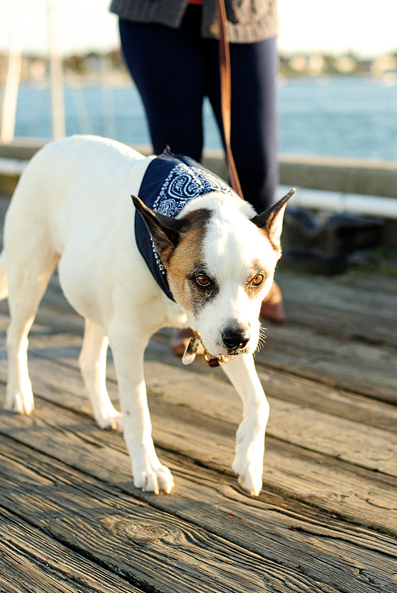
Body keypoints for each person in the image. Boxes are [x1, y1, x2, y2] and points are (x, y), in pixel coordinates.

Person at [111, 0, 285, 354]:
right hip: (154, 14)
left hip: (245, 12)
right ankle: (192, 312)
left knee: (256, 164)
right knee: (178, 159)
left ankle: (255, 276)